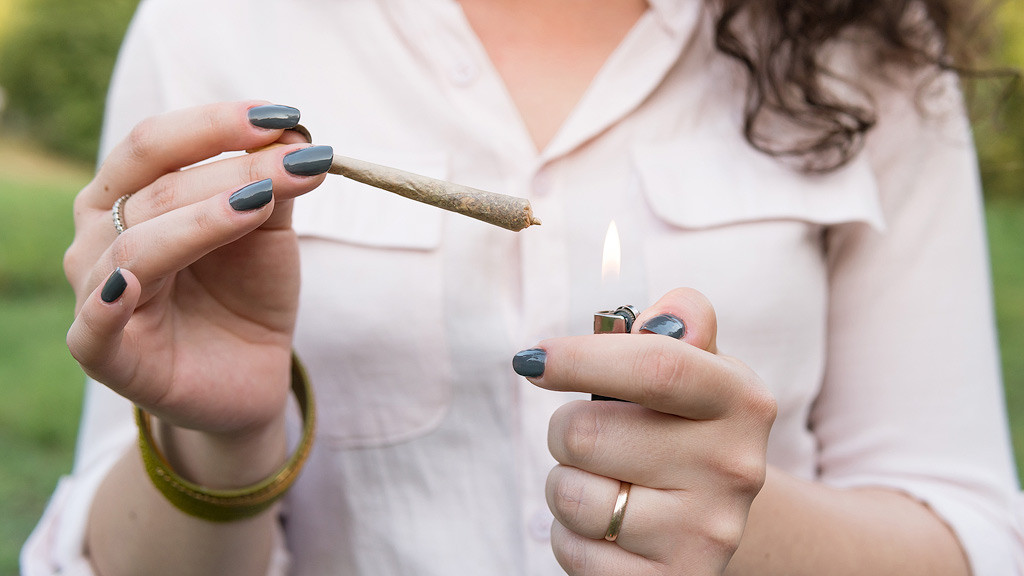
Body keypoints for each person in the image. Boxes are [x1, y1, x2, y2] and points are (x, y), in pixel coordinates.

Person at [21, 0, 1024, 574]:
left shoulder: (870, 36)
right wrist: (226, 437)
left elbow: (970, 534)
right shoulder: (213, 25)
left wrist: (729, 518)